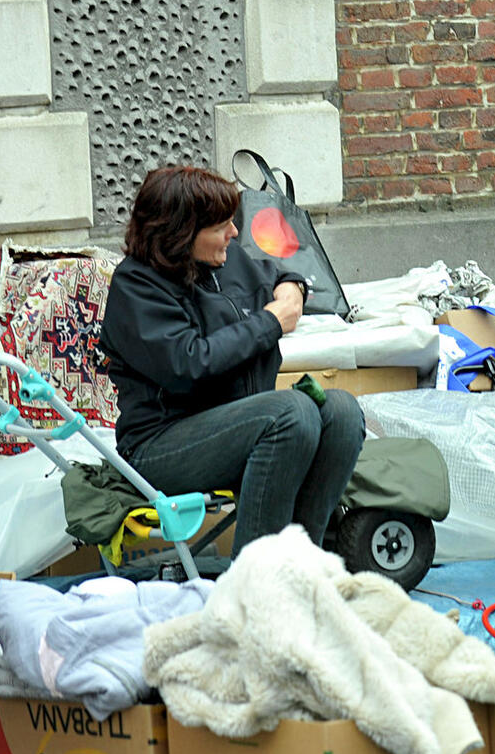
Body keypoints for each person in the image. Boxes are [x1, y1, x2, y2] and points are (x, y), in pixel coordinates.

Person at [101, 165, 365, 557]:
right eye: (221, 226)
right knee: (290, 413)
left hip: (238, 421)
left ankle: (304, 559)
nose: (235, 232)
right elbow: (189, 364)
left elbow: (280, 273)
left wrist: (293, 288)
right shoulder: (136, 287)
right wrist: (271, 321)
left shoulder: (226, 261)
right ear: (181, 233)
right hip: (160, 446)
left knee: (341, 410)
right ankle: (257, 578)